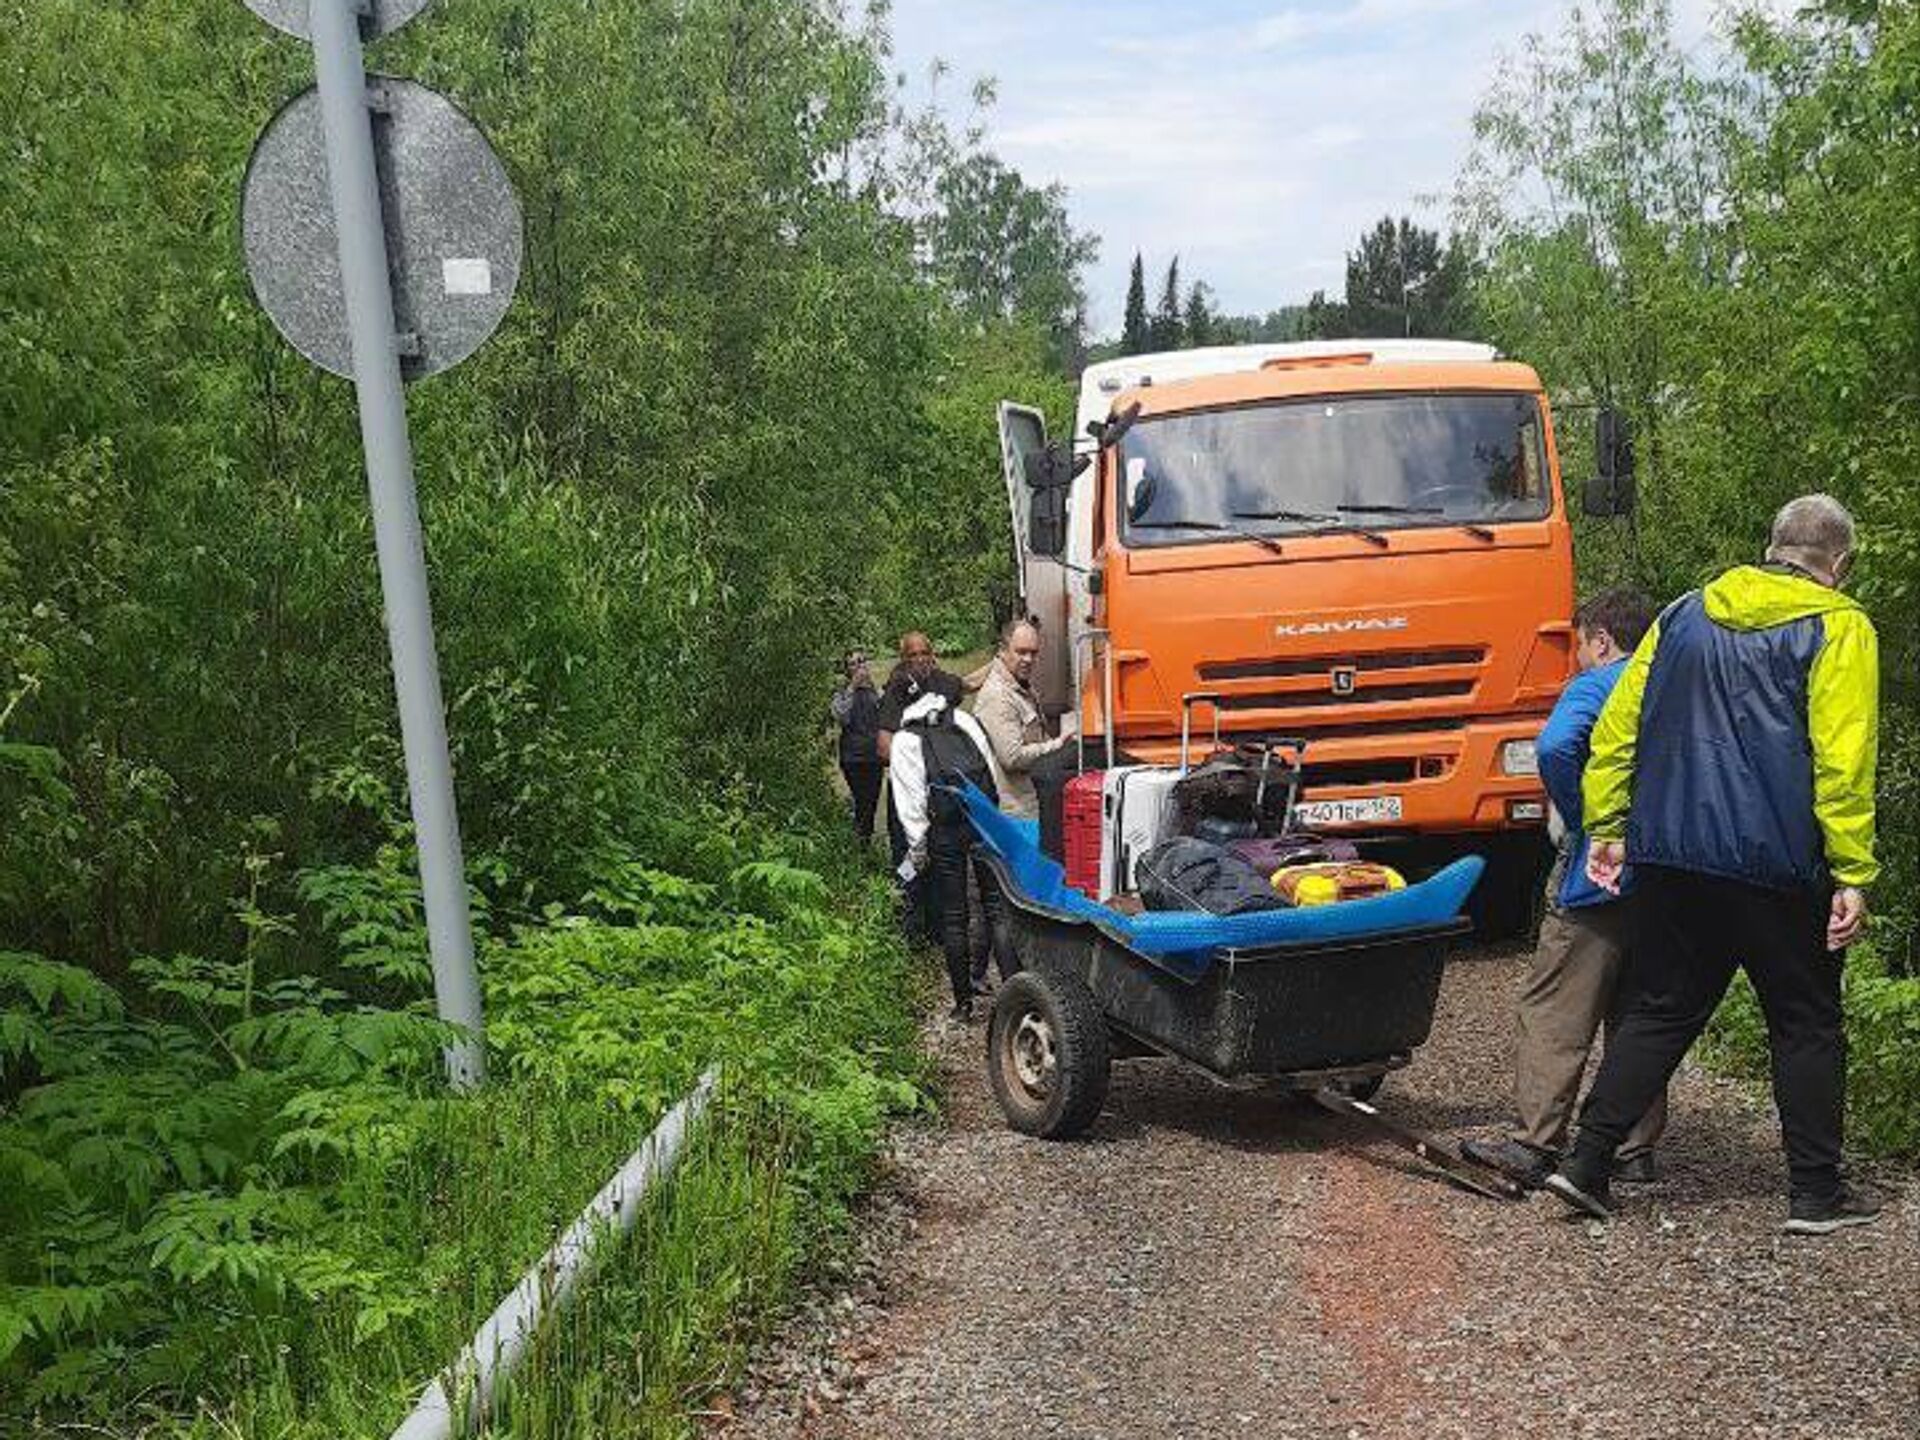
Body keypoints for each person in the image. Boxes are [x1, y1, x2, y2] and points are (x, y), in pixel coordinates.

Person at [1545, 495, 1881, 1235]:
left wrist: (1605, 826)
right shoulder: (1838, 626)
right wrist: (1853, 869)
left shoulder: (1682, 615)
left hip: (1674, 856)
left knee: (1662, 1009)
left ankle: (1586, 1165)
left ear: (1772, 545)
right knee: (1805, 1022)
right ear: (1840, 565)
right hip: (1779, 866)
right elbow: (1842, 760)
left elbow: (1619, 729)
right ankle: (1816, 1194)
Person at [1460, 589, 1667, 1189]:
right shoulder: (1676, 685)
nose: (1577, 657)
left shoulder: (1599, 685)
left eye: (1579, 644)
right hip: (1667, 880)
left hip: (1598, 879)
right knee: (1641, 1012)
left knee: (1556, 1007)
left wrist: (1582, 818)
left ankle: (1536, 1144)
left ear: (1601, 640)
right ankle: (1634, 1149)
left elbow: (1553, 747)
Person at [888, 691, 1014, 1022]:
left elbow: (910, 808)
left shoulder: (904, 740)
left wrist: (917, 855)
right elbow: (991, 773)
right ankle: (1016, 995)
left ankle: (963, 1005)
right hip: (983, 821)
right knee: (996, 909)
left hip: (945, 831)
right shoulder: (964, 720)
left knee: (954, 917)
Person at [973, 617, 1074, 820]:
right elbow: (1012, 757)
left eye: (1033, 653)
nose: (1028, 659)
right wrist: (1058, 745)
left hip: (1032, 801)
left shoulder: (1021, 686)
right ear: (1002, 651)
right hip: (1016, 813)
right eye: (1021, 652)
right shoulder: (998, 695)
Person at [829, 649, 883, 846]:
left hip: (874, 757)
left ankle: (862, 846)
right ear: (847, 670)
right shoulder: (841, 693)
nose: (859, 665)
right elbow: (841, 717)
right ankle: (861, 848)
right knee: (863, 802)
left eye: (862, 661)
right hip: (853, 758)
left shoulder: (875, 692)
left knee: (871, 804)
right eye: (853, 663)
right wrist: (852, 686)